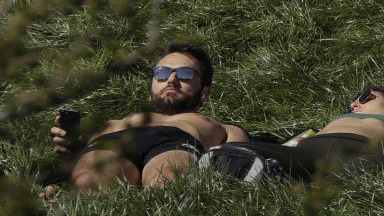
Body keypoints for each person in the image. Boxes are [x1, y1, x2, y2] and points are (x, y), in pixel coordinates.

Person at [46, 40, 249, 194]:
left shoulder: (222, 128)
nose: (171, 80)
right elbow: (75, 161)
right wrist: (69, 151)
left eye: (185, 74)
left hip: (179, 141)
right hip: (116, 140)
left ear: (204, 92)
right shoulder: (112, 124)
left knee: (168, 183)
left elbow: (240, 163)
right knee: (88, 183)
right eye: (162, 73)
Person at [202, 85, 384, 181]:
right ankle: (270, 173)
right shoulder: (335, 122)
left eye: (366, 97)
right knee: (231, 151)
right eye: (352, 104)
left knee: (337, 182)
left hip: (367, 150)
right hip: (311, 148)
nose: (354, 104)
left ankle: (281, 181)